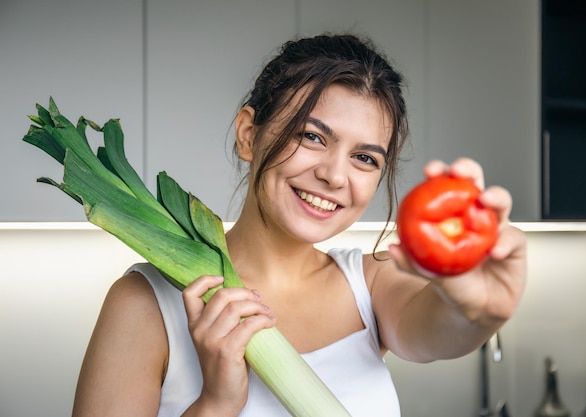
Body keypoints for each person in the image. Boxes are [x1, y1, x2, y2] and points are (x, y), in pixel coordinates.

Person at [71, 33, 526, 417]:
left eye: (365, 158)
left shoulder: (371, 284)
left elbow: (443, 328)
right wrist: (215, 403)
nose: (334, 174)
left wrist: (480, 312)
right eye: (312, 136)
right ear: (249, 134)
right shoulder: (144, 304)